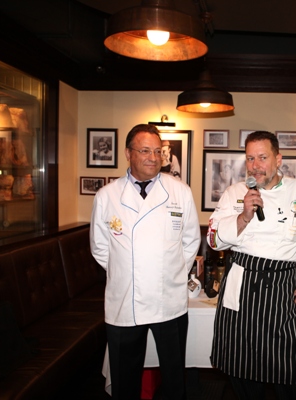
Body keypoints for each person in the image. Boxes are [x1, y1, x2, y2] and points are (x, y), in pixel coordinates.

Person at [207, 131, 296, 400]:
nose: (255, 165)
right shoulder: (234, 193)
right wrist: (243, 216)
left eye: (262, 157)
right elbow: (214, 241)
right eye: (250, 158)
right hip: (241, 284)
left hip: (282, 286)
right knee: (241, 368)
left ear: (278, 159)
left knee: (292, 369)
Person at [90, 124, 201, 400]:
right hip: (125, 301)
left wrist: (171, 273)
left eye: (158, 151)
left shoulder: (180, 191)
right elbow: (100, 247)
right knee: (124, 380)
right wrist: (126, 271)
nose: (153, 157)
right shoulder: (107, 195)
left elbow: (190, 241)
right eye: (145, 151)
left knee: (174, 378)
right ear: (128, 153)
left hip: (168, 300)